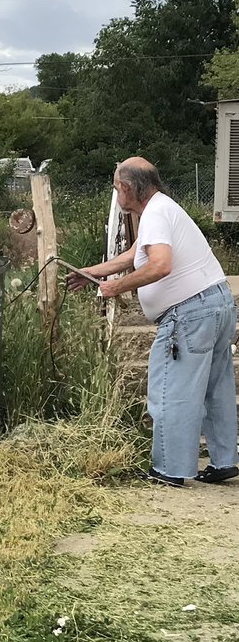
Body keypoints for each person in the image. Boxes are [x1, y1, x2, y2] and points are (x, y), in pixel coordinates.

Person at [68, 156, 238, 488]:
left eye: (116, 187)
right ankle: (223, 461)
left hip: (190, 314)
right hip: (217, 304)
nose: (116, 193)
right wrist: (93, 272)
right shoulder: (162, 208)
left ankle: (170, 469)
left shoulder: (155, 214)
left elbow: (160, 265)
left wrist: (115, 287)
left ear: (127, 188)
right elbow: (136, 253)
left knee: (171, 388)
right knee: (216, 389)